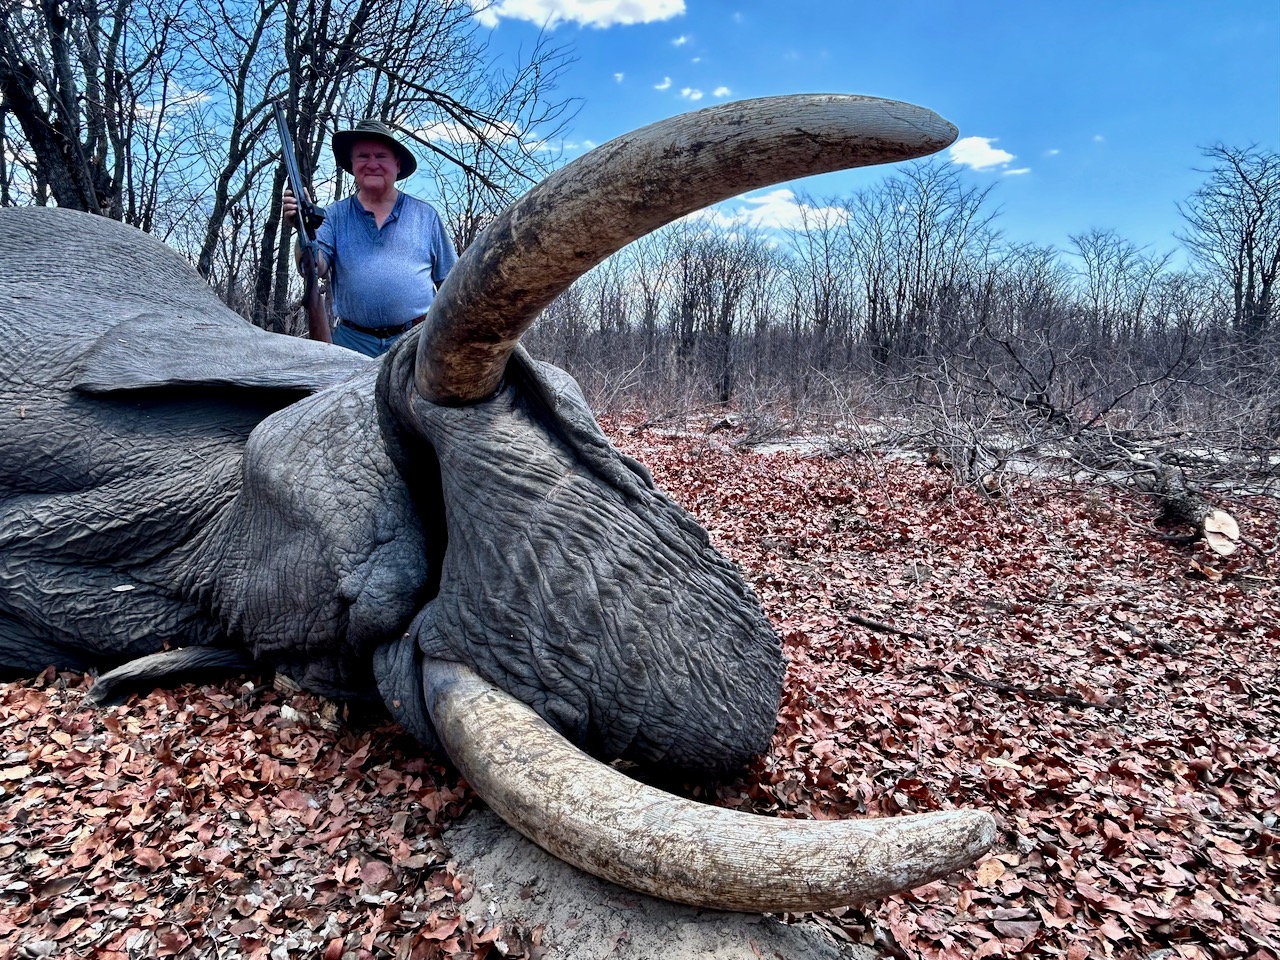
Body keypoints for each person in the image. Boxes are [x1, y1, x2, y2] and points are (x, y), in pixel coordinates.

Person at [282, 119, 457, 357]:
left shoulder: (426, 216)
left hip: (415, 342)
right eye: (363, 156)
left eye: (381, 156)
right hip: (352, 343)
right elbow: (314, 267)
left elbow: (451, 284)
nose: (372, 164)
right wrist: (302, 229)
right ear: (352, 164)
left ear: (397, 164)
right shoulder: (334, 216)